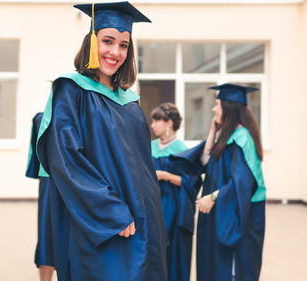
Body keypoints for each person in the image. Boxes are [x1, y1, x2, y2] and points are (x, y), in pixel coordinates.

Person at [36, 2, 168, 281]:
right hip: (104, 223)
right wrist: (111, 212)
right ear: (91, 43)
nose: (115, 52)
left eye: (124, 45)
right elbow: (66, 160)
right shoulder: (71, 91)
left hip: (143, 219)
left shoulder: (130, 100)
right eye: (107, 41)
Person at [175, 83, 266, 281]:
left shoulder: (241, 139)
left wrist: (214, 197)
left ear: (229, 108)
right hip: (220, 209)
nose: (213, 109)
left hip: (237, 213)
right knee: (214, 262)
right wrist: (212, 130)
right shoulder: (227, 136)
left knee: (230, 266)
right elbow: (205, 162)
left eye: (217, 104)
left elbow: (243, 184)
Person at [150, 103, 200, 281]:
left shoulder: (182, 150)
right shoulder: (150, 147)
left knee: (172, 250)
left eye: (157, 120)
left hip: (173, 206)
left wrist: (167, 176)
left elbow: (191, 181)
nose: (152, 125)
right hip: (152, 205)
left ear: (169, 123)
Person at [25, 112, 55, 281]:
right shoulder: (41, 119)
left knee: (48, 233)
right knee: (47, 234)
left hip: (52, 180)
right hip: (52, 180)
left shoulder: (40, 118)